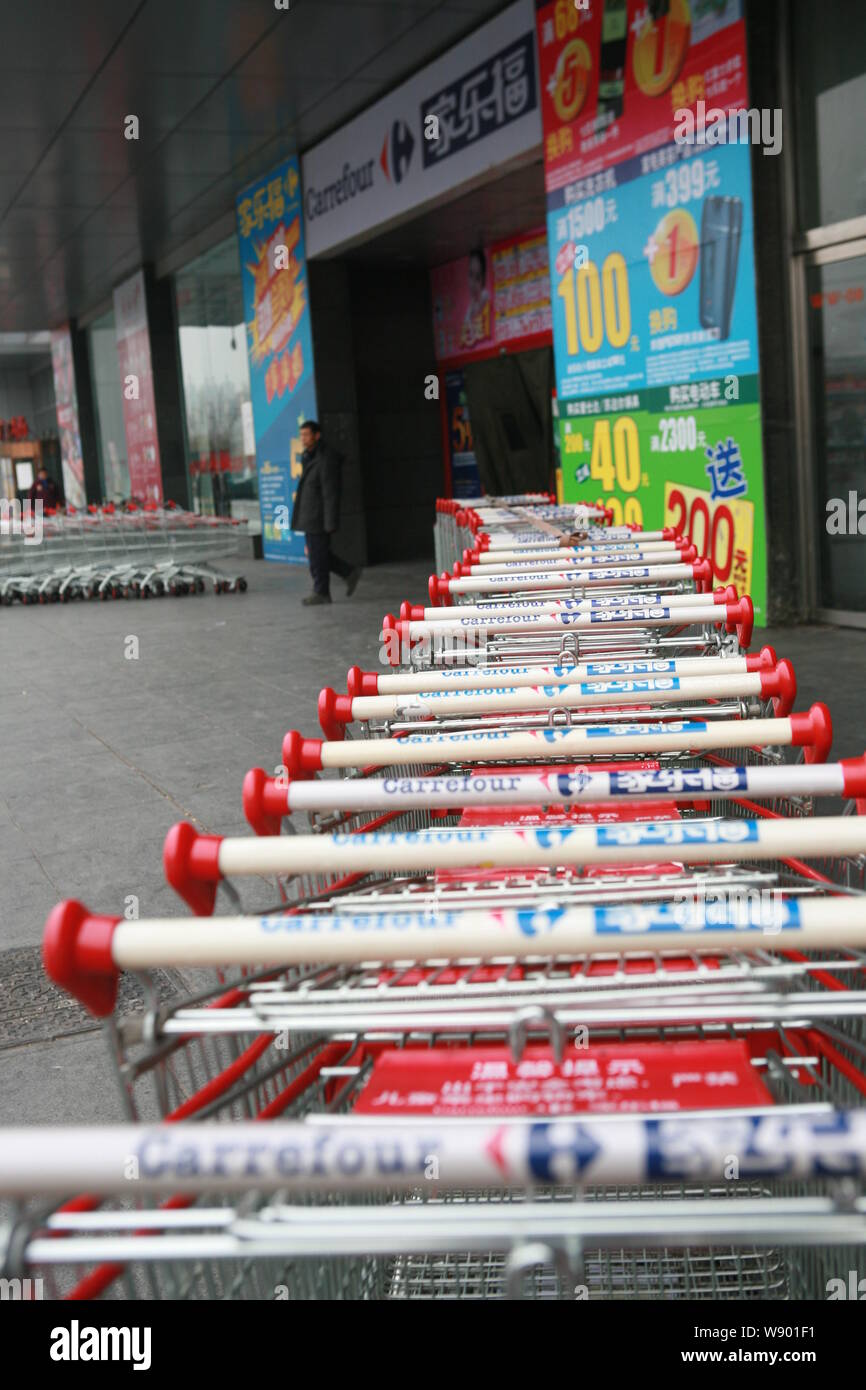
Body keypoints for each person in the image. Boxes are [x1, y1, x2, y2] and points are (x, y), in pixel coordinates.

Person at [290, 420, 361, 606]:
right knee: (318, 555)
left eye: (306, 435)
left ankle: (322, 592)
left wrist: (330, 522)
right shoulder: (309, 456)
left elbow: (330, 492)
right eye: (302, 435)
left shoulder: (325, 458)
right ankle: (349, 573)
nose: (303, 439)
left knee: (318, 556)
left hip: (318, 517)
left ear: (317, 435)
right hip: (310, 515)